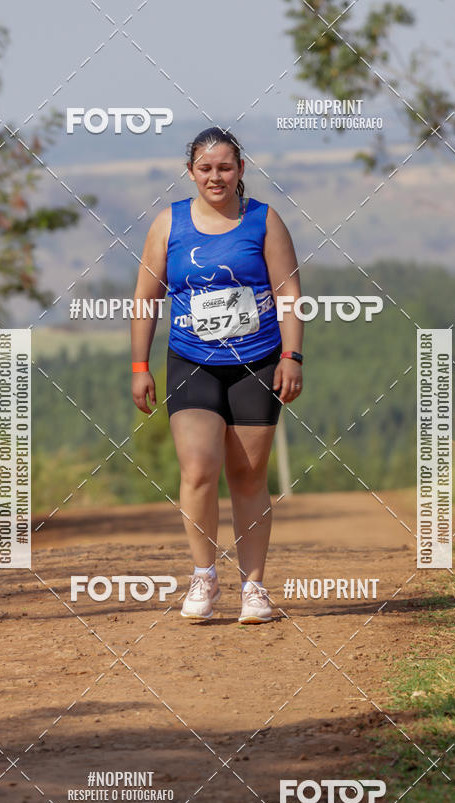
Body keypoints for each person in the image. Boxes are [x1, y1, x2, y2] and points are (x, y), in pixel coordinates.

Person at [130, 127, 303, 624]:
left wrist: (292, 356)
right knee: (198, 470)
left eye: (225, 167)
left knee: (248, 476)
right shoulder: (169, 224)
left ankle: (254, 587)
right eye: (205, 168)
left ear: (240, 170)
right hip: (192, 362)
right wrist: (139, 366)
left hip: (257, 362)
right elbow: (146, 299)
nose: (215, 177)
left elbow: (289, 295)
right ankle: (203, 576)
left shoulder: (264, 221)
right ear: (190, 172)